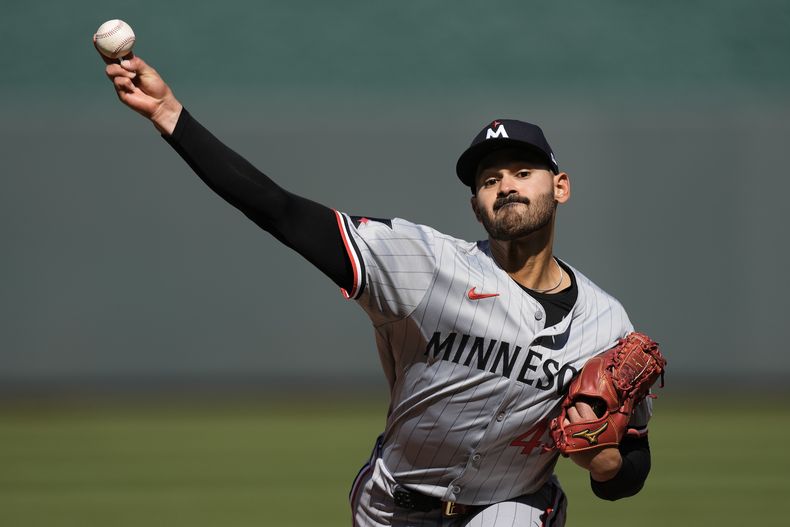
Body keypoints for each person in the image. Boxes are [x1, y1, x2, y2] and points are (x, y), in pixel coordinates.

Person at [96, 47, 654, 526]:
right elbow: (281, 210)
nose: (505, 185)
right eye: (490, 179)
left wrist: (604, 462)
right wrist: (170, 114)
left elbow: (630, 466)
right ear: (475, 205)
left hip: (513, 504)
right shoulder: (425, 264)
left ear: (560, 187)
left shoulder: (607, 325)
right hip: (394, 504)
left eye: (522, 172)